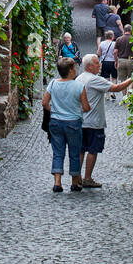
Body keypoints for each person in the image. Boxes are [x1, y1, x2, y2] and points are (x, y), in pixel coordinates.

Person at [79, 52, 133, 187]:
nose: (100, 65)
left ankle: (77, 177)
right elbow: (116, 88)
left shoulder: (79, 78)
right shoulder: (94, 79)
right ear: (90, 66)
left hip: (81, 120)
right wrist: (132, 78)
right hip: (94, 121)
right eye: (97, 63)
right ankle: (87, 178)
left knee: (80, 150)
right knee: (93, 149)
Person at [42, 59, 87, 193]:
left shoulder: (53, 83)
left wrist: (55, 110)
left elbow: (44, 103)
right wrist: (76, 111)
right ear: (71, 70)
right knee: (74, 152)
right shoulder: (79, 86)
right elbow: (86, 106)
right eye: (75, 68)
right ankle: (74, 182)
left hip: (56, 121)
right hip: (73, 123)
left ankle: (57, 182)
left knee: (57, 152)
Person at [114, 23, 133, 100]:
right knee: (132, 77)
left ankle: (124, 97)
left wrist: (116, 61)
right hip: (131, 60)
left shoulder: (119, 39)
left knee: (123, 80)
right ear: (131, 31)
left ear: (124, 30)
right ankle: (130, 89)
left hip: (121, 60)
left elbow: (115, 52)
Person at [97, 29, 118, 98]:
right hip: (113, 62)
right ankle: (113, 92)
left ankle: (107, 94)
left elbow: (98, 53)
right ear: (112, 36)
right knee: (114, 78)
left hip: (105, 62)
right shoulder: (114, 43)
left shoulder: (102, 43)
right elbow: (116, 53)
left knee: (106, 78)